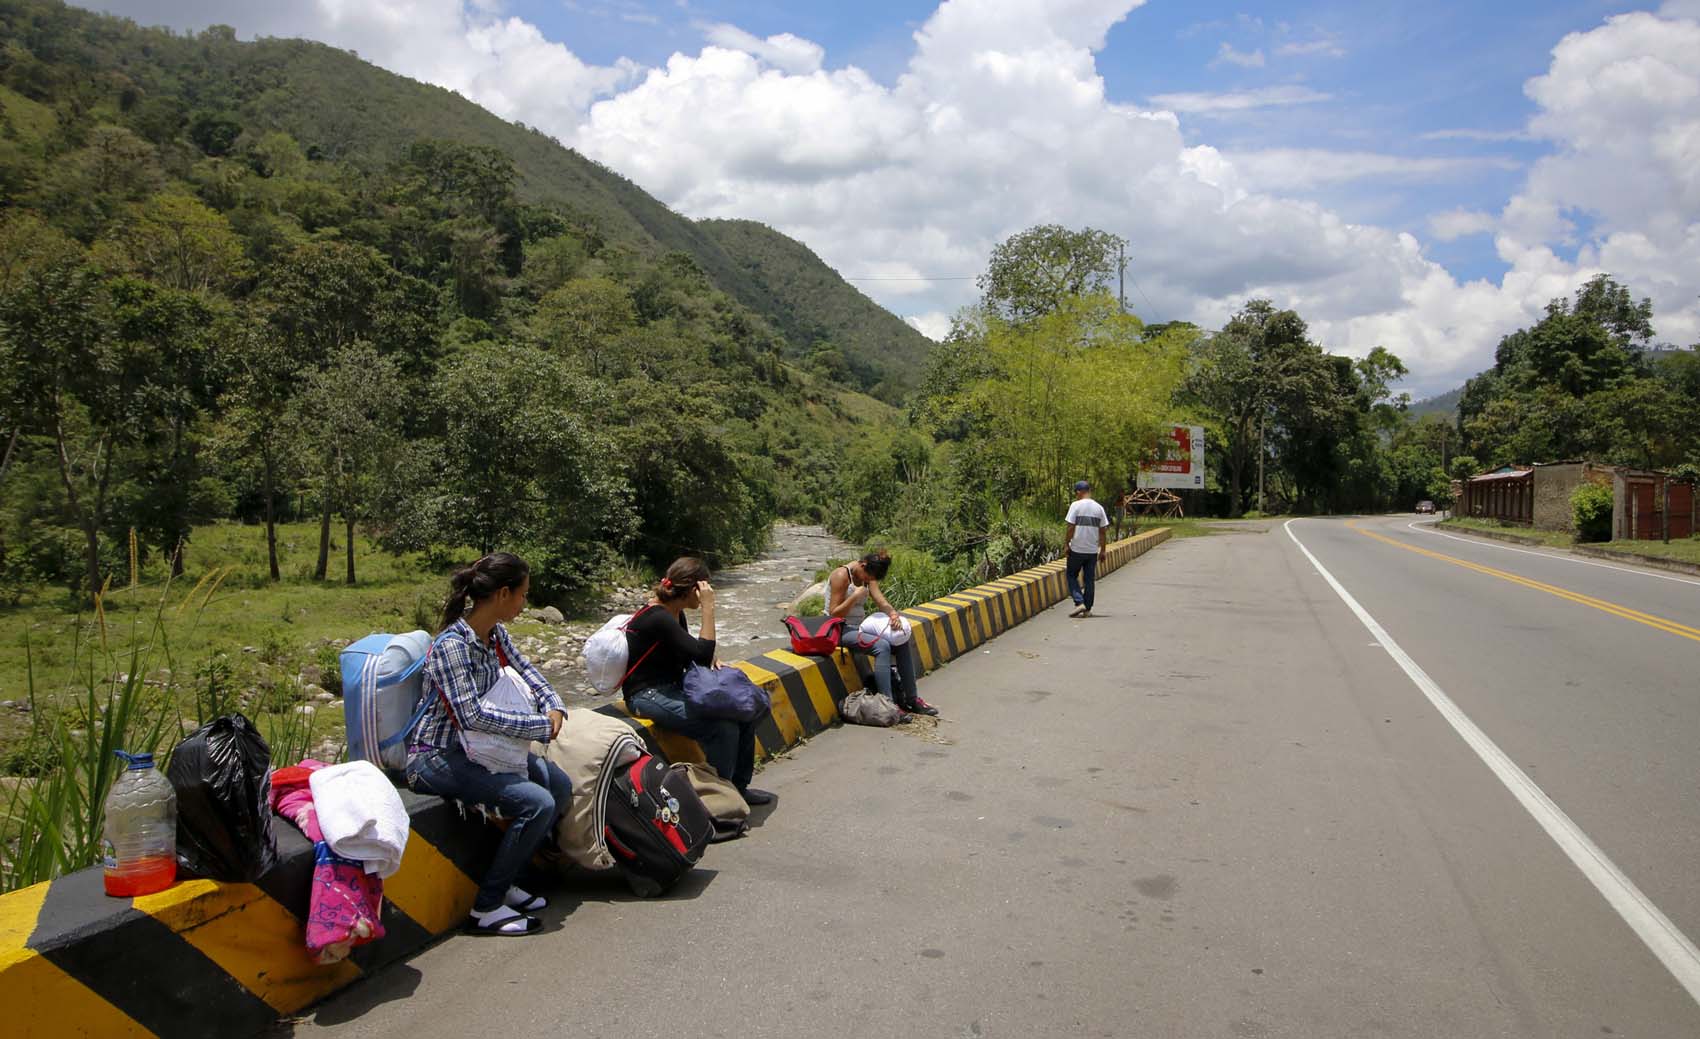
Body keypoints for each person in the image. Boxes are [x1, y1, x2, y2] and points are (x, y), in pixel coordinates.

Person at [407, 553, 574, 936]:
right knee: (537, 803)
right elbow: (473, 716)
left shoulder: (495, 635)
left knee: (559, 786)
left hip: (482, 748)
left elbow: (527, 670)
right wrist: (537, 725)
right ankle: (486, 908)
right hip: (437, 757)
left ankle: (510, 879)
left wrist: (555, 705)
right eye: (523, 595)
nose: (524, 603)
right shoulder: (452, 646)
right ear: (502, 594)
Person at [623, 557, 773, 805]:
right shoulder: (657, 617)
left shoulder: (675, 613)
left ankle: (738, 788)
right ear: (694, 589)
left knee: (742, 714)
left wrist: (711, 658)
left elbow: (694, 655)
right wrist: (708, 609)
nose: (707, 594)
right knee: (722, 728)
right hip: (646, 694)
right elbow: (700, 655)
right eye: (704, 590)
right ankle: (718, 799)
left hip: (673, 686)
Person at [827, 549, 939, 716]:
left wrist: (893, 614)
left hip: (861, 626)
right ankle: (888, 704)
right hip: (839, 628)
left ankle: (912, 699)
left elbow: (880, 600)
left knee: (900, 640)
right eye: (868, 577)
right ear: (863, 565)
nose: (868, 581)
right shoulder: (841, 576)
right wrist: (854, 596)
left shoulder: (868, 576)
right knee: (882, 646)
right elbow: (834, 613)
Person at [1065, 479, 1110, 617]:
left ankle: (1079, 603)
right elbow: (1102, 531)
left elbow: (1071, 527)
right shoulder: (1099, 508)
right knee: (1089, 579)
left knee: (1071, 575)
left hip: (1077, 549)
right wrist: (1103, 550)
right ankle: (1088, 609)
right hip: (1091, 551)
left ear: (1079, 492)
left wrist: (1066, 543)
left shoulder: (1075, 505)